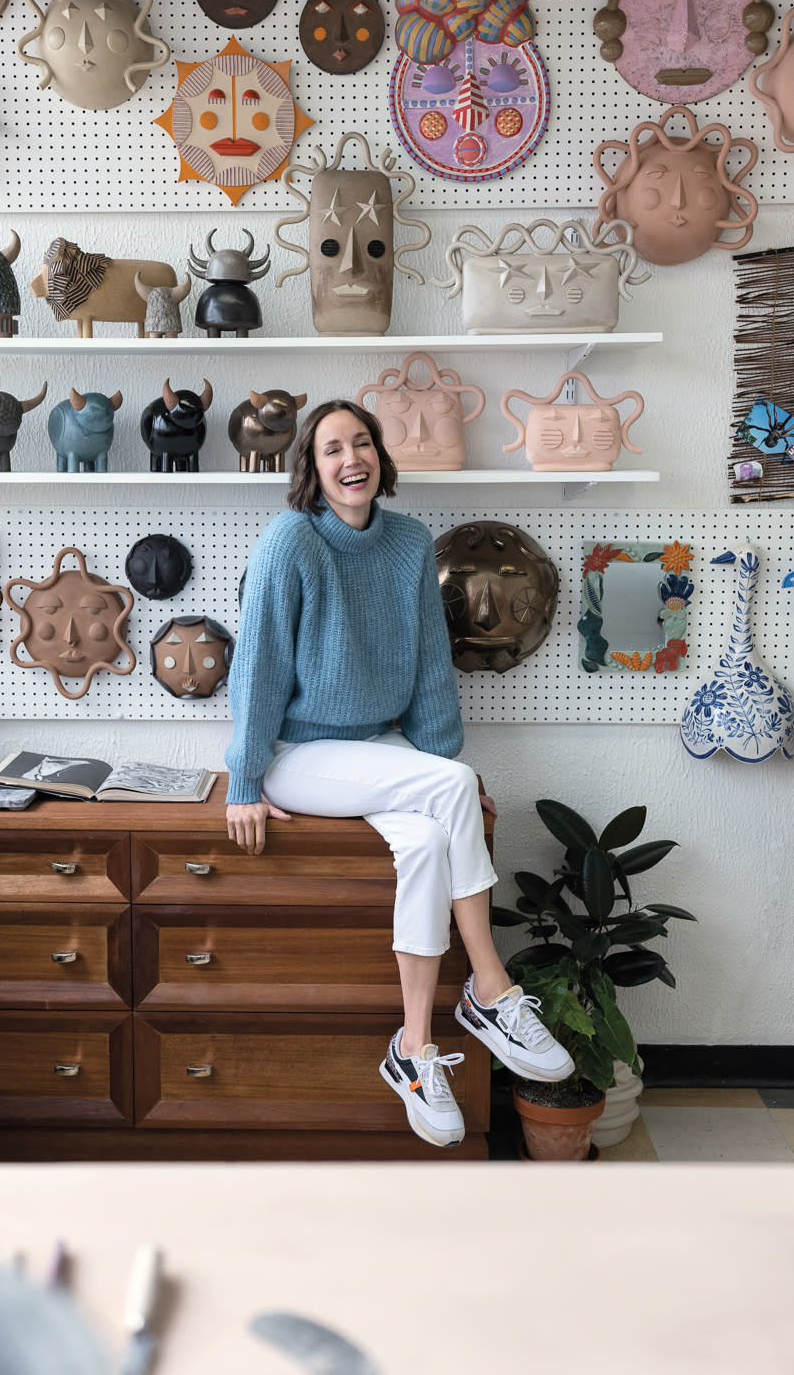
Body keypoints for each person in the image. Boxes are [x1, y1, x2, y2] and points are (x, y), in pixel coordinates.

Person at [224, 399, 573, 1149]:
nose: (350, 459)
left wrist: (441, 764)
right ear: (310, 472)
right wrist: (245, 781)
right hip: (298, 758)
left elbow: (426, 668)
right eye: (330, 450)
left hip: (378, 753)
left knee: (424, 841)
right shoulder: (290, 540)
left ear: (380, 456)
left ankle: (413, 1049)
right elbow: (255, 669)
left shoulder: (410, 543)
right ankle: (490, 986)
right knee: (446, 792)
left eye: (361, 443)